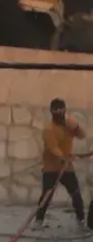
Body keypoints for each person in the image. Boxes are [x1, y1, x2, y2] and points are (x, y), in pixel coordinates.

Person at [37, 98, 88, 229]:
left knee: (76, 194)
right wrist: (62, 157)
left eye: (61, 109)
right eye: (56, 109)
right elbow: (52, 147)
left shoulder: (69, 124)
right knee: (46, 196)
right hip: (51, 168)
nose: (59, 112)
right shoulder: (48, 129)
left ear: (65, 109)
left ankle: (81, 220)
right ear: (51, 111)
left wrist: (76, 128)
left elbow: (82, 135)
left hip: (67, 168)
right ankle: (38, 221)